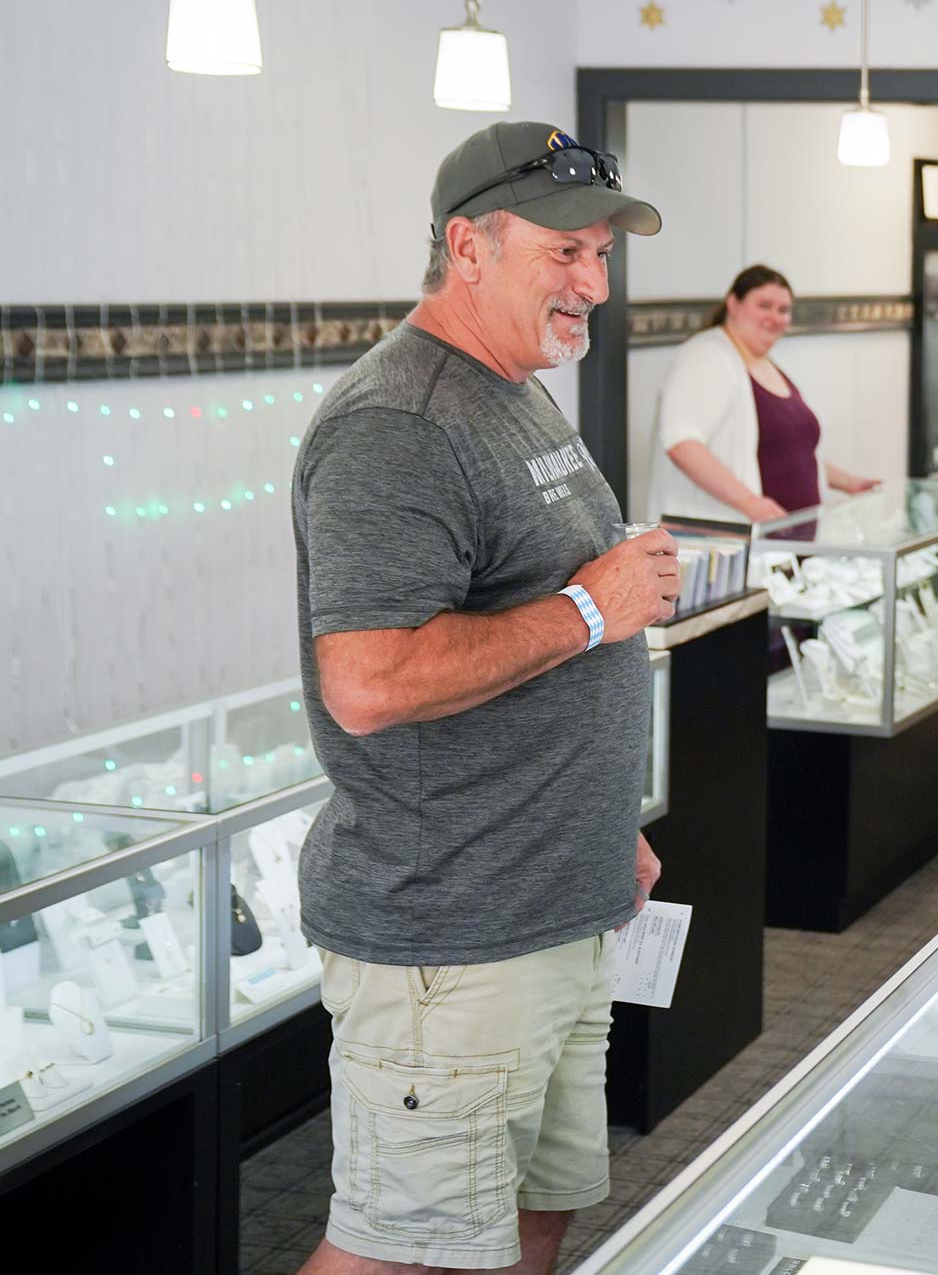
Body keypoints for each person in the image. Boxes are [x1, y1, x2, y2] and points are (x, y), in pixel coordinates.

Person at [292, 122, 678, 1275]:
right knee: (398, 1254)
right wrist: (594, 608)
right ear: (467, 245)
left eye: (601, 255)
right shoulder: (396, 424)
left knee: (531, 1218)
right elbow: (367, 682)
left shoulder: (510, 387)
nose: (592, 285)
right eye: (563, 252)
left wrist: (602, 831)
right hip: (447, 937)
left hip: (553, 902)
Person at [644, 264, 877, 523]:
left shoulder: (764, 364)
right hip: (733, 544)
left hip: (788, 544)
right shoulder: (707, 356)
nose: (775, 317)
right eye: (765, 306)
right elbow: (681, 444)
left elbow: (792, 452)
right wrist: (750, 504)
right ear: (733, 303)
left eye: (784, 310)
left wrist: (849, 483)